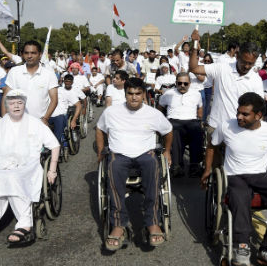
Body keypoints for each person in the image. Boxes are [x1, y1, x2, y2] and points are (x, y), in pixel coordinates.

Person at [200, 92, 267, 266]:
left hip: (260, 175)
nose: (239, 117)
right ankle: (242, 246)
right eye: (238, 112)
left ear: (258, 116)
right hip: (234, 175)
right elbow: (212, 145)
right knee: (240, 196)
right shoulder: (226, 126)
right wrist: (208, 170)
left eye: (245, 114)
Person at [0, 90, 60, 251]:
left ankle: (25, 223)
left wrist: (52, 169)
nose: (16, 106)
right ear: (6, 105)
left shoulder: (35, 123)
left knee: (13, 178)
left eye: (20, 102)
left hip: (27, 165)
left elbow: (54, 145)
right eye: (12, 103)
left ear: (24, 104)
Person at [96, 78, 173, 251]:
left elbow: (168, 131)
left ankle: (152, 222)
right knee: (113, 166)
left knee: (153, 164)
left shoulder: (153, 114)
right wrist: (101, 151)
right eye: (130, 94)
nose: (134, 97)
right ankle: (118, 224)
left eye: (138, 94)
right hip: (119, 155)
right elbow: (100, 129)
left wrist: (167, 151)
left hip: (145, 154)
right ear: (125, 94)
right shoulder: (111, 112)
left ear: (143, 94)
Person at [188, 30, 264, 170]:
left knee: (237, 166)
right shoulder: (222, 68)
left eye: (251, 64)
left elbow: (259, 107)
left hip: (241, 128)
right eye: (244, 62)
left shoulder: (256, 80)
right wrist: (195, 44)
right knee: (214, 164)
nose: (247, 67)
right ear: (237, 55)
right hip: (217, 124)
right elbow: (193, 68)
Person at [158, 73, 204, 177]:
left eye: (185, 83)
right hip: (174, 120)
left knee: (197, 129)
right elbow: (160, 107)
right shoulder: (168, 93)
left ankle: (195, 165)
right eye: (180, 83)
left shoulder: (196, 94)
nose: (182, 85)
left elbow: (200, 107)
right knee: (174, 130)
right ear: (176, 83)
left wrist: (200, 119)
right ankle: (177, 165)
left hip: (191, 120)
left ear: (190, 84)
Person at [2, 41, 58, 123]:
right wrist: (4, 119)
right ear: (22, 54)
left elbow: (54, 100)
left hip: (39, 123)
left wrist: (45, 119)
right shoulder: (14, 72)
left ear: (40, 55)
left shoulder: (49, 74)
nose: (29, 56)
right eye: (26, 53)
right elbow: (6, 97)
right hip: (16, 122)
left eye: (33, 53)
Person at [49, 74, 83, 156]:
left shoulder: (66, 92)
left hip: (61, 116)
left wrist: (74, 120)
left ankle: (56, 147)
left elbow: (78, 105)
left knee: (58, 128)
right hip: (48, 116)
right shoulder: (46, 91)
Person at [201, 54, 214, 121]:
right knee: (203, 104)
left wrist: (213, 88)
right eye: (205, 60)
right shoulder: (201, 67)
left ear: (211, 61)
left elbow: (214, 79)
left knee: (208, 105)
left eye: (208, 61)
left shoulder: (213, 68)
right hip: (202, 88)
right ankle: (202, 120)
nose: (206, 62)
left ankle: (204, 120)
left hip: (209, 88)